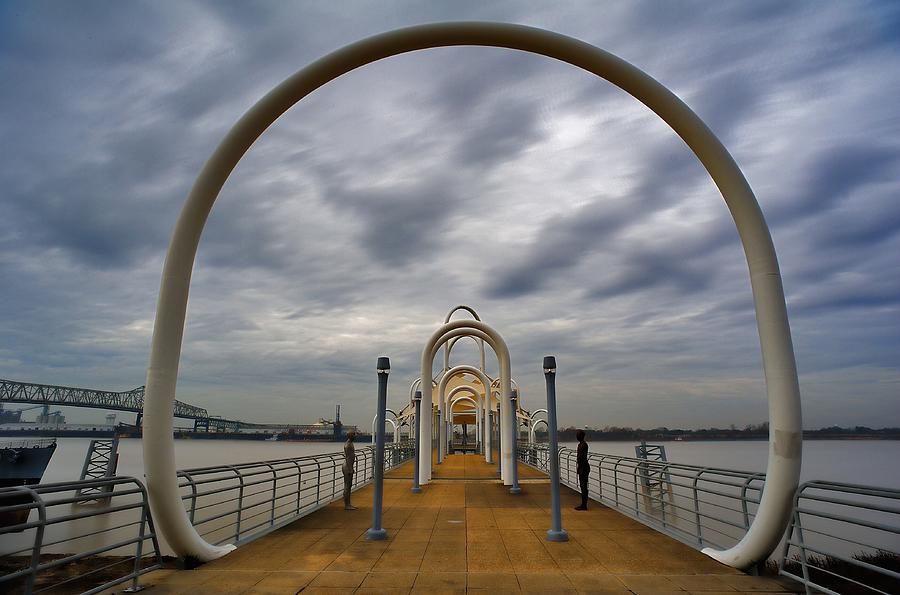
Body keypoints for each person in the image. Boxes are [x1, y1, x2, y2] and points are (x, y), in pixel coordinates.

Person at [342, 431, 358, 510]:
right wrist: (350, 469)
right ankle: (347, 505)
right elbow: (348, 458)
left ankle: (348, 504)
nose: (356, 436)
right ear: (351, 436)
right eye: (354, 435)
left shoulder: (350, 443)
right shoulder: (348, 445)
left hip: (348, 466)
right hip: (347, 467)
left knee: (349, 485)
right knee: (347, 486)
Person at [575, 429, 589, 510]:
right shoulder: (581, 444)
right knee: (582, 486)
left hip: (584, 468)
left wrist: (581, 468)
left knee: (584, 486)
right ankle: (583, 504)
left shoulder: (583, 445)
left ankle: (584, 505)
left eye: (578, 435)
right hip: (582, 467)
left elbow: (581, 458)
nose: (577, 436)